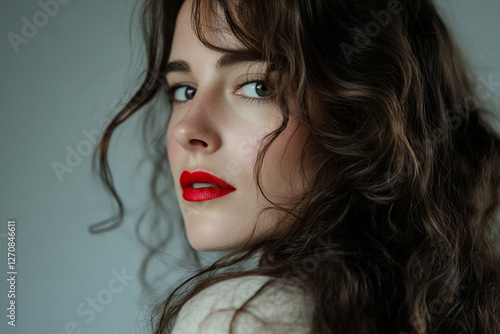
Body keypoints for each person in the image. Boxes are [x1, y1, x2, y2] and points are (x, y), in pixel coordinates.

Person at [90, 0, 500, 333]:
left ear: (364, 117)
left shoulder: (242, 319)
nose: (188, 131)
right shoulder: (454, 306)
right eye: (184, 90)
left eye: (258, 86)